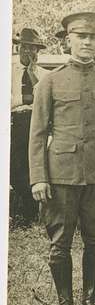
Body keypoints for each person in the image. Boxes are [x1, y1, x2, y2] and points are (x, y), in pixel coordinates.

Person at [28, 11, 95, 305]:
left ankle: (90, 301)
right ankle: (64, 304)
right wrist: (38, 178)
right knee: (59, 242)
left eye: (93, 37)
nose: (87, 42)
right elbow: (36, 135)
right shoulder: (50, 82)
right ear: (67, 41)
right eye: (81, 37)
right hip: (61, 174)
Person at [11, 27, 48, 224]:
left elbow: (41, 98)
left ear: (37, 51)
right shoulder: (8, 70)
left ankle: (30, 214)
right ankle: (19, 209)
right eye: (24, 47)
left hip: (34, 122)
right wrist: (24, 100)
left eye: (32, 48)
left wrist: (32, 72)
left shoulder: (43, 74)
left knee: (32, 165)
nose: (27, 52)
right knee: (14, 167)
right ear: (18, 49)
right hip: (13, 122)